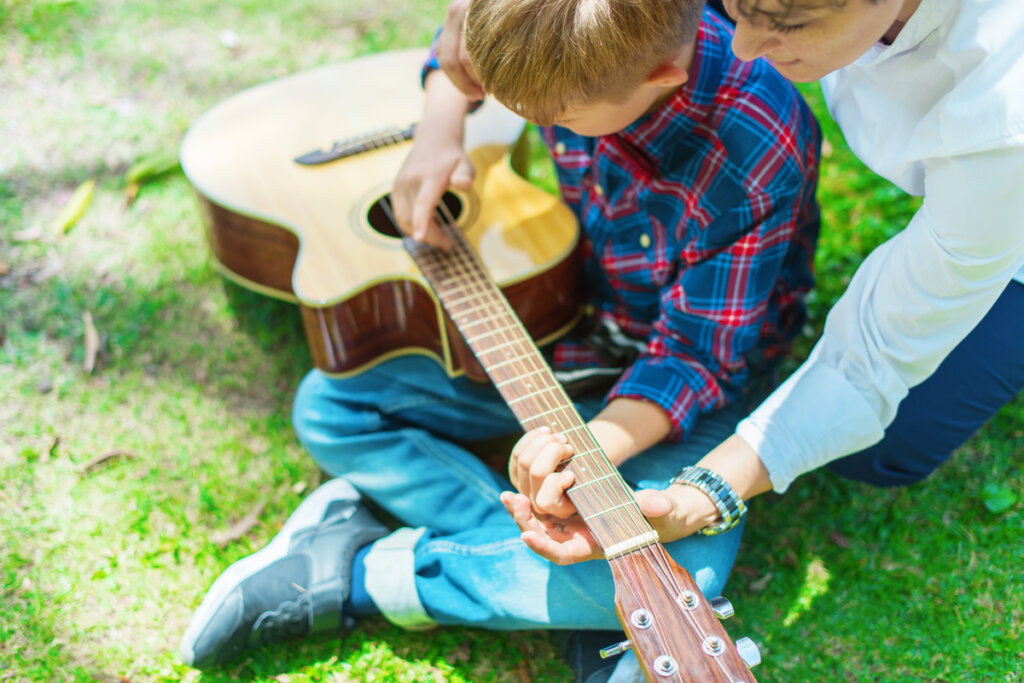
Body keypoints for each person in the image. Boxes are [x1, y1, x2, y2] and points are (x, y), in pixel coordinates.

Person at [178, 0, 822, 680]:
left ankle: (358, 571)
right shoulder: (545, 30)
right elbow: (460, 47)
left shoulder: (756, 137)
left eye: (556, 118)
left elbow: (695, 358)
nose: (534, 124)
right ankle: (571, 592)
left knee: (692, 564)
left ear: (659, 76)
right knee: (330, 406)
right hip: (571, 321)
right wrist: (438, 125)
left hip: (691, 379)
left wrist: (591, 449)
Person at [436, 0, 1024, 573]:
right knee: (342, 403)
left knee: (886, 442)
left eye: (789, 24)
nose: (740, 45)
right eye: (738, 5)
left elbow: (870, 361)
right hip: (618, 318)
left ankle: (411, 565)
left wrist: (696, 499)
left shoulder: (1001, 117)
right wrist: (441, 115)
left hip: (1008, 221)